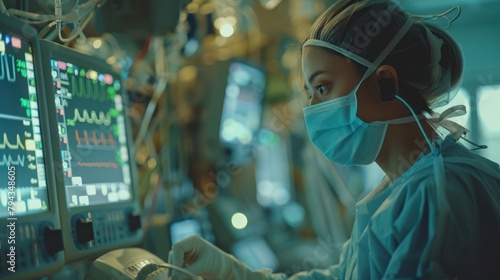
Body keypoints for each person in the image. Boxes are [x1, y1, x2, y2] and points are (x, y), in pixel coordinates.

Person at [170, 0, 500, 279]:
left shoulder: (436, 196)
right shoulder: (405, 187)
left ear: (386, 82)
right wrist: (235, 273)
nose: (311, 108)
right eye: (308, 93)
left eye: (324, 87)